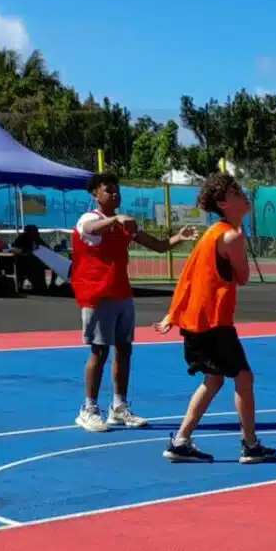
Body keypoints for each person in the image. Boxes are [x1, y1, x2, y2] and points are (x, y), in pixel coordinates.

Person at [155, 172, 276, 465]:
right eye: (236, 193)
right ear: (223, 203)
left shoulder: (212, 234)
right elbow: (244, 278)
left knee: (214, 380)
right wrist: (242, 242)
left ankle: (182, 441)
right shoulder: (230, 236)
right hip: (213, 322)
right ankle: (249, 445)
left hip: (199, 321)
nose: (243, 195)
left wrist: (174, 312)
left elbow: (189, 276)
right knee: (243, 378)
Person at [72, 172, 190, 432]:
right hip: (97, 295)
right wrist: (116, 219)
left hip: (122, 294)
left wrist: (177, 238)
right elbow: (91, 230)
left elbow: (158, 246)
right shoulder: (89, 219)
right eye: (108, 190)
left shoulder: (126, 224)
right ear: (95, 194)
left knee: (124, 350)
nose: (114, 194)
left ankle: (119, 407)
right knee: (99, 351)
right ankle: (88, 408)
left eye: (117, 190)